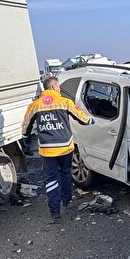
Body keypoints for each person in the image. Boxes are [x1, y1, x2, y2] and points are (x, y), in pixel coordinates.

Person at [21, 75, 93, 223]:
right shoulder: (65, 102)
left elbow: (25, 129)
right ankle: (66, 200)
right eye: (59, 86)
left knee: (51, 179)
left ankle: (55, 211)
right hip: (65, 148)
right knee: (66, 173)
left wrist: (27, 134)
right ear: (54, 87)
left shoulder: (35, 105)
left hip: (47, 151)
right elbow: (83, 118)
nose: (60, 89)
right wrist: (90, 120)